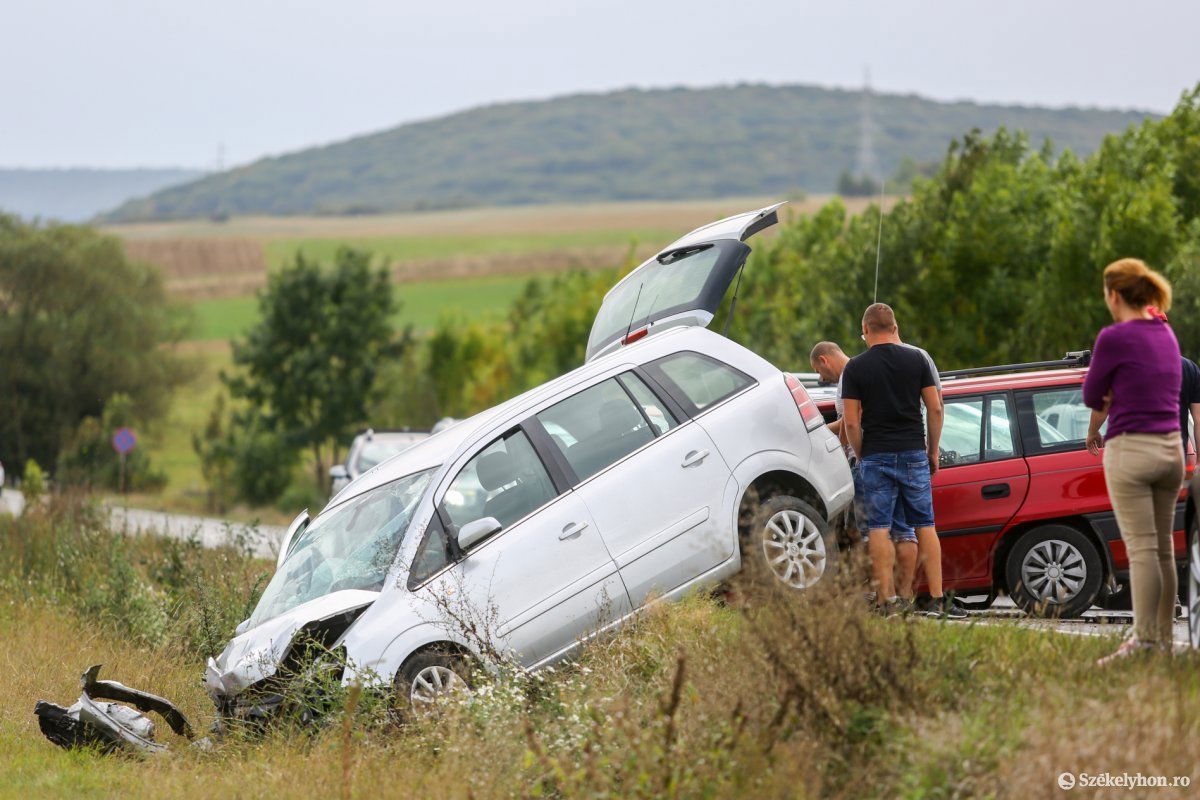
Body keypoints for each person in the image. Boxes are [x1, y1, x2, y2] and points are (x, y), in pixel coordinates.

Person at [1082, 259, 1185, 664]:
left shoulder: (1114, 337)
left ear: (1114, 294)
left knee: (1141, 550)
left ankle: (1142, 643)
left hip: (1133, 450)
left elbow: (1092, 395)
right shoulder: (1166, 332)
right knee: (1163, 550)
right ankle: (1162, 640)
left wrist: (1110, 394)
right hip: (1172, 450)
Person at [840, 304, 966, 618]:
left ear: (866, 330)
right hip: (913, 452)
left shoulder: (854, 368)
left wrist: (862, 453)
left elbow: (851, 423)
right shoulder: (917, 359)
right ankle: (938, 599)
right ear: (895, 327)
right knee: (924, 525)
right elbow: (935, 409)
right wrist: (932, 451)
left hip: (876, 454)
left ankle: (888, 601)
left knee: (880, 528)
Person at [811, 341, 918, 602]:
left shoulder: (851, 374)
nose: (821, 377)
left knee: (871, 530)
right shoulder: (862, 372)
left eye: (819, 370)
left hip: (864, 461)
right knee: (896, 530)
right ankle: (900, 594)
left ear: (825, 359)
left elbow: (852, 420)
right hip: (889, 455)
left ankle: (884, 592)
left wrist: (819, 434)